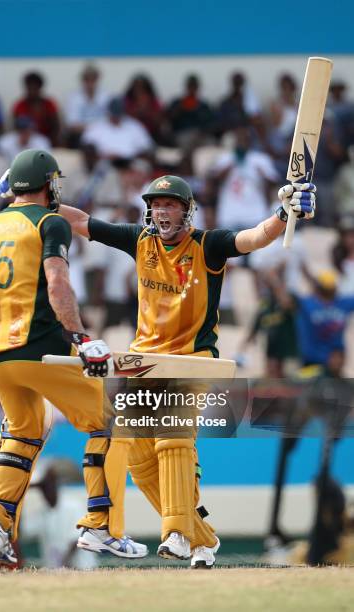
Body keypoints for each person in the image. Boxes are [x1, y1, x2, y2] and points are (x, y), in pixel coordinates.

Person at [58, 174, 316, 568]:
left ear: (187, 210)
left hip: (192, 359)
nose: (161, 211)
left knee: (172, 438)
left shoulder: (207, 245)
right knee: (138, 458)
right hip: (144, 363)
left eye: (170, 205)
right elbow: (82, 222)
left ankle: (176, 532)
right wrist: (33, 204)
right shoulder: (138, 240)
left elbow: (254, 238)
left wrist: (284, 214)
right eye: (156, 204)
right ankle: (201, 538)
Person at [0, 149, 146, 566]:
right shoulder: (50, 223)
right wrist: (81, 336)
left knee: (23, 432)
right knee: (111, 420)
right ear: (48, 184)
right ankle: (102, 526)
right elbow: (57, 280)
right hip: (40, 345)